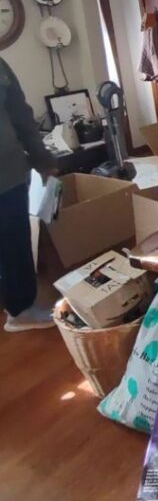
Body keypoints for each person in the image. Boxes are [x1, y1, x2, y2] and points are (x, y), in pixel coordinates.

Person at [0, 57, 57, 331]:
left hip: (6, 175)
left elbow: (20, 115)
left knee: (14, 244)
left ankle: (20, 311)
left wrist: (42, 160)